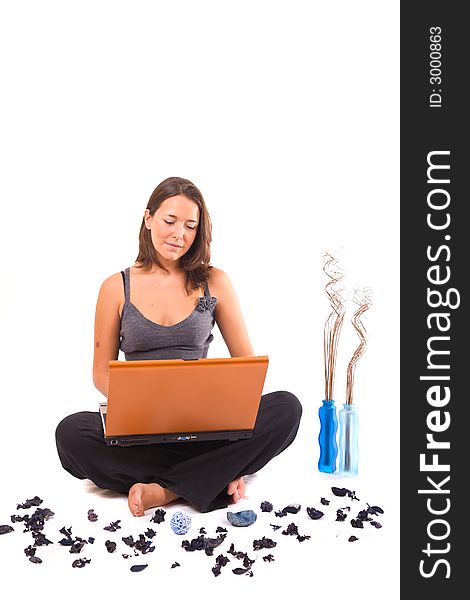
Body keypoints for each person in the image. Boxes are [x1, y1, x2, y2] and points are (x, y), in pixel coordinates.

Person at [55, 176, 302, 515]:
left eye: (190, 226)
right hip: (143, 428)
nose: (179, 235)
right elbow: (101, 372)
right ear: (148, 219)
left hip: (207, 427)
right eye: (170, 221)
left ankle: (166, 490)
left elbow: (246, 362)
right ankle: (215, 473)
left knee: (287, 408)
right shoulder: (116, 288)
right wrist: (139, 405)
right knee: (71, 435)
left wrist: (223, 403)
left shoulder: (214, 281)